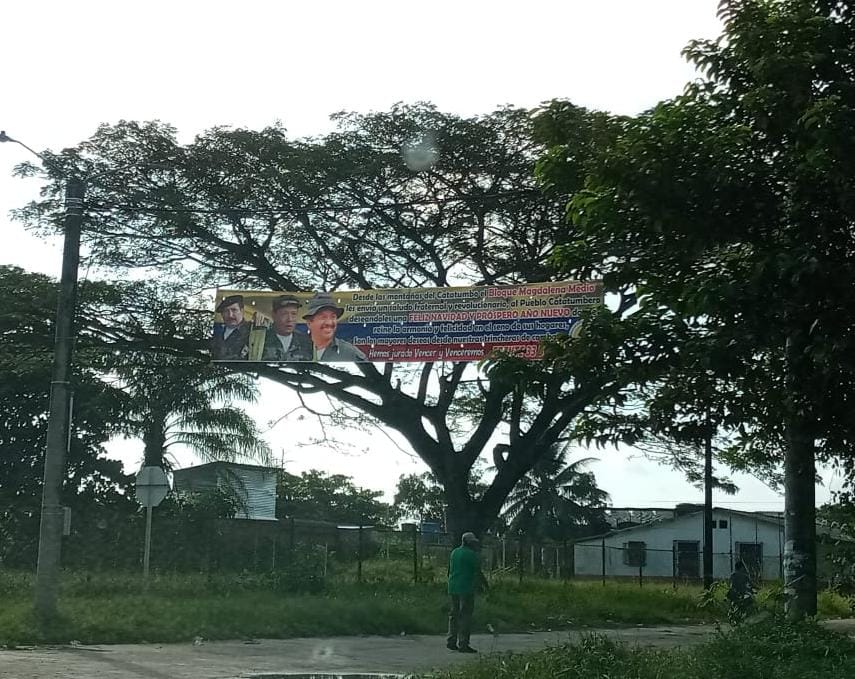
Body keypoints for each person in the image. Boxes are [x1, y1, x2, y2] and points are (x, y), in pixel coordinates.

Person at [446, 531, 488, 653]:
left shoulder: (454, 552)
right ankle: (463, 643)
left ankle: (451, 640)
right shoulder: (472, 555)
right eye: (473, 542)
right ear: (469, 542)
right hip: (466, 588)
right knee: (465, 615)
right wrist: (485, 586)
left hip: (453, 586)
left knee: (453, 615)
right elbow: (477, 573)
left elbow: (449, 570)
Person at [303, 292, 367, 362]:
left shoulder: (350, 353)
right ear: (309, 323)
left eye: (333, 317)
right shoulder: (293, 348)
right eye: (323, 317)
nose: (329, 322)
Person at [261, 294, 313, 361]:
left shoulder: (307, 342)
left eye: (293, 314)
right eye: (284, 314)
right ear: (274, 315)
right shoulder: (260, 340)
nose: (290, 319)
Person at [211, 294, 251, 360]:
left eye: (234, 310)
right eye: (226, 311)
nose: (230, 315)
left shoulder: (252, 330)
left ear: (242, 311)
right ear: (222, 314)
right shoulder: (217, 332)